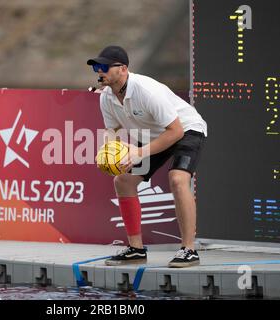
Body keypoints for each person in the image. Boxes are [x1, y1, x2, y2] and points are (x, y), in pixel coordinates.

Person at [87, 45, 207, 268]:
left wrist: (138, 152)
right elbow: (112, 131)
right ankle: (136, 250)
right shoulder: (106, 97)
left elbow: (176, 131)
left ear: (122, 69)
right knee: (123, 181)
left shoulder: (146, 90)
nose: (99, 72)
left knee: (178, 179)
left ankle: (189, 250)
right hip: (155, 135)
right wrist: (108, 152)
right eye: (96, 67)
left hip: (186, 129)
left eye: (103, 67)